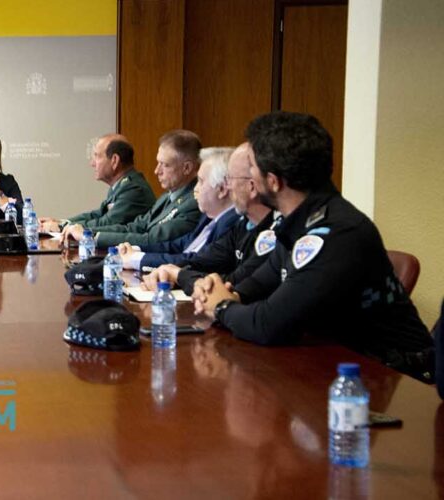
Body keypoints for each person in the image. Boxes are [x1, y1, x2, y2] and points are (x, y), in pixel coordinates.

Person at [195, 112, 434, 382]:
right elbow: (258, 284)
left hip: (396, 379)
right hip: (335, 365)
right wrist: (224, 292)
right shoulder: (298, 221)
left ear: (273, 181)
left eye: (250, 167)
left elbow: (267, 325)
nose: (244, 178)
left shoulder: (337, 232)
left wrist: (222, 307)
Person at [143, 143, 280, 294]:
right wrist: (167, 272)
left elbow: (233, 284)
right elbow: (201, 261)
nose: (228, 186)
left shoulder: (273, 233)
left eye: (231, 179)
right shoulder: (244, 224)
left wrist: (179, 275)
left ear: (252, 186)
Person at [64, 130, 203, 248]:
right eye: (158, 163)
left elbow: (151, 240)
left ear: (187, 168)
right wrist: (87, 232)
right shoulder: (167, 197)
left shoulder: (194, 203)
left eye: (165, 165)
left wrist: (90, 236)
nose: (156, 171)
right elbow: (135, 227)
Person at [117, 147, 238, 270]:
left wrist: (136, 259)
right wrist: (135, 250)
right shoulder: (209, 217)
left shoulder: (231, 225)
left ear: (222, 189)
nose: (195, 188)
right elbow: (178, 245)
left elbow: (194, 260)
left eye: (201, 182)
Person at [43, 134, 155, 233]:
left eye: (97, 156)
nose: (92, 163)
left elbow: (107, 223)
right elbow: (98, 214)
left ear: (114, 160)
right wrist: (62, 222)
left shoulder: (134, 189)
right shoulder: (121, 185)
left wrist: (63, 227)